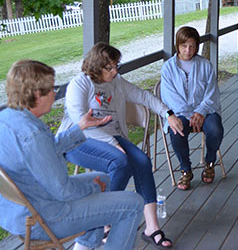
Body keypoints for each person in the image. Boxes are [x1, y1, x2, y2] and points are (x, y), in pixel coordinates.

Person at [0, 60, 144, 250]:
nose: (56, 94)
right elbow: (63, 190)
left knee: (102, 178)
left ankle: (84, 247)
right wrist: (93, 189)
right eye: (52, 88)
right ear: (37, 94)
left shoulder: (4, 119)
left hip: (14, 209)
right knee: (132, 204)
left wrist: (81, 127)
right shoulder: (32, 134)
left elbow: (46, 150)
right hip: (44, 217)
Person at [58, 42, 183, 249]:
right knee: (120, 161)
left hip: (110, 137)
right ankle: (102, 219)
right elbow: (81, 123)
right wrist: (114, 143)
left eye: (117, 66)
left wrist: (168, 114)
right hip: (78, 140)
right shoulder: (79, 85)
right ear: (97, 65)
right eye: (110, 67)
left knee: (142, 161)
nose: (115, 71)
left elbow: (143, 96)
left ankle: (151, 228)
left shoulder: (116, 82)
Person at [160, 26, 224, 190]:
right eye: (184, 46)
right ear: (178, 46)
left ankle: (209, 162)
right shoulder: (168, 67)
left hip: (206, 111)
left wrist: (200, 112)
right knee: (177, 131)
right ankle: (185, 170)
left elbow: (212, 93)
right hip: (180, 112)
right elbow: (169, 96)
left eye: (192, 46)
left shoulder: (205, 65)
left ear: (197, 46)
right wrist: (189, 114)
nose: (188, 50)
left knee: (215, 129)